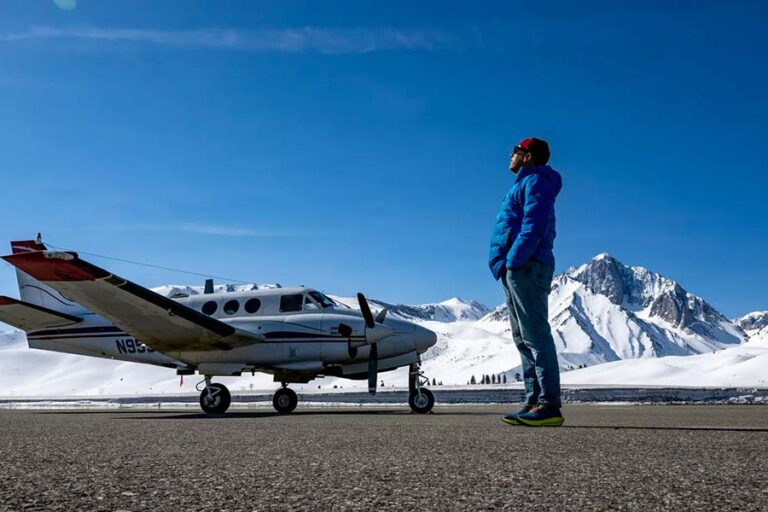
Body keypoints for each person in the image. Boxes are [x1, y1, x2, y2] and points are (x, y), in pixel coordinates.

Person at [488, 137, 564, 427]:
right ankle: (534, 401)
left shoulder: (536, 183)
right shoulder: (523, 183)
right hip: (515, 268)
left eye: (515, 151)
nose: (510, 156)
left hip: (527, 266)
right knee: (522, 339)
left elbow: (534, 223)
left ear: (528, 155)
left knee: (535, 335)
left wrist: (515, 259)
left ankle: (549, 404)